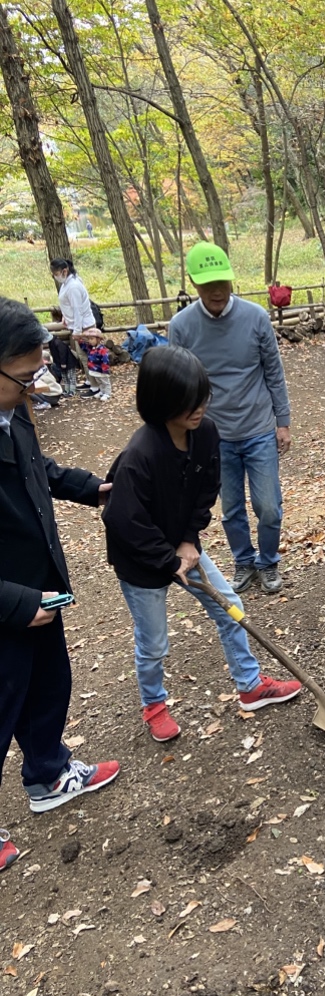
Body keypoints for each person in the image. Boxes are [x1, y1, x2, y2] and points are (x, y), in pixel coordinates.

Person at [101, 346, 302, 743]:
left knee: (230, 607)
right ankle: (154, 704)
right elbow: (123, 520)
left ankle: (250, 685)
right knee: (154, 642)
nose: (199, 409)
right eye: (187, 402)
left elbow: (207, 489)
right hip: (141, 562)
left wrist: (189, 540)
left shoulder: (205, 433)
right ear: (160, 401)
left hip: (182, 547)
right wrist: (166, 558)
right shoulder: (140, 455)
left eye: (201, 398)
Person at [0, 298, 120, 871]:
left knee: (48, 684)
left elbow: (37, 469)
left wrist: (89, 487)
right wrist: (16, 603)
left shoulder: (14, 411)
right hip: (8, 601)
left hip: (39, 584)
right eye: (24, 377)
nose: (34, 386)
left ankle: (47, 774)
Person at [167, 243, 291, 597]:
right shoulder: (182, 326)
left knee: (268, 506)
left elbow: (274, 371)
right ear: (194, 283)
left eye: (222, 282)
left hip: (258, 427)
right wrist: (182, 434)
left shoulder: (256, 317)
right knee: (231, 506)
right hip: (213, 434)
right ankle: (244, 560)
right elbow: (179, 382)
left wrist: (282, 421)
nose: (216, 291)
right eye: (207, 284)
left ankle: (268, 561)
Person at [49, 258, 112, 402]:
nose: (55, 276)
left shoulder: (73, 286)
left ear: (64, 271)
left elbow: (78, 310)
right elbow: (68, 306)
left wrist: (77, 331)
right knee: (83, 355)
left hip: (83, 326)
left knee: (88, 356)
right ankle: (91, 381)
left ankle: (95, 386)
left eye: (56, 273)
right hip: (77, 325)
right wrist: (65, 318)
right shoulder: (68, 283)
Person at [49, 307, 80, 396]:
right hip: (61, 364)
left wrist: (63, 363)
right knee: (65, 376)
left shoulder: (57, 343)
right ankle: (67, 390)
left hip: (68, 362)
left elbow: (63, 353)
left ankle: (72, 390)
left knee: (71, 376)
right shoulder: (52, 344)